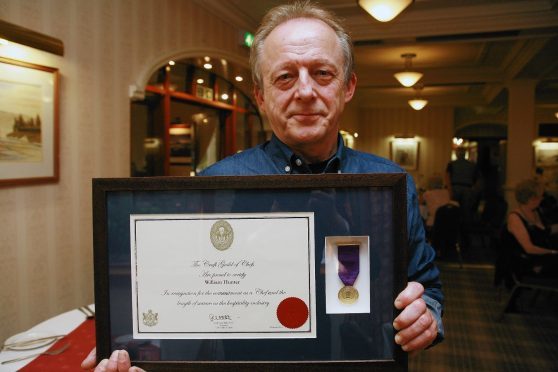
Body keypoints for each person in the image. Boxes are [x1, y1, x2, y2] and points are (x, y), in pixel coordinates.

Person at [82, 2, 443, 370]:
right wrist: (127, 345)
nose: (304, 91)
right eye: (285, 76)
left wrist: (426, 315)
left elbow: (426, 285)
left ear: (347, 86)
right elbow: (184, 296)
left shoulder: (388, 187)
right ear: (261, 96)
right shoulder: (215, 187)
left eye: (322, 73)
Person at [503, 178, 558, 278]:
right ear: (532, 198)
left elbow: (545, 231)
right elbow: (529, 249)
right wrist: (552, 252)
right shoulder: (515, 217)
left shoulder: (535, 212)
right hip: (526, 262)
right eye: (540, 196)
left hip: (540, 257)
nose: (542, 198)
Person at [445, 147, 479, 243]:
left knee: (453, 212)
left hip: (455, 188)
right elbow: (477, 180)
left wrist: (450, 191)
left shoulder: (451, 164)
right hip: (467, 189)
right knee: (466, 214)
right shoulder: (472, 165)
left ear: (456, 153)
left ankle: (454, 235)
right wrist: (473, 190)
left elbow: (447, 178)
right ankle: (465, 238)